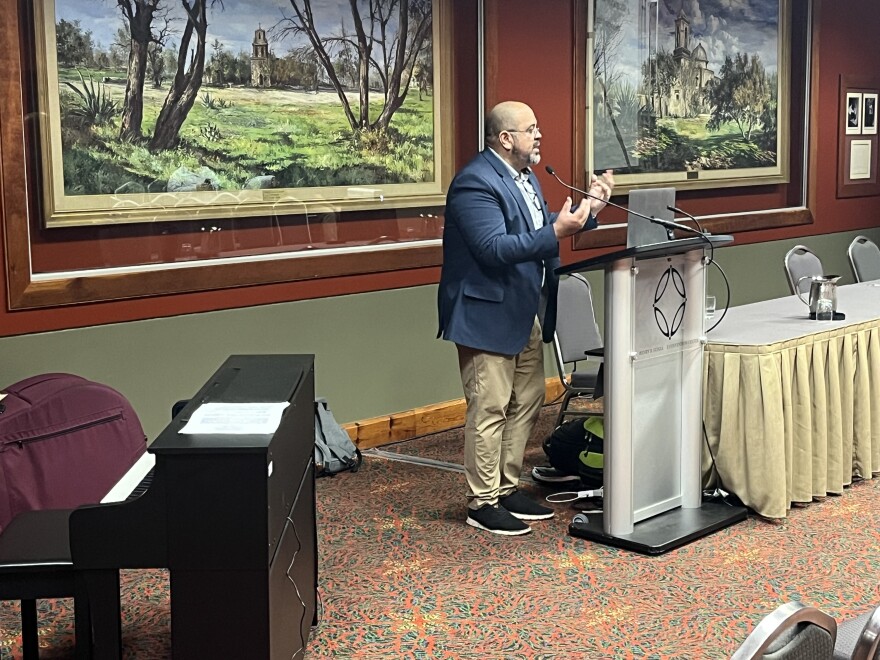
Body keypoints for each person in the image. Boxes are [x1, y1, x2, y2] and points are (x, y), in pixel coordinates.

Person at [437, 100, 615, 536]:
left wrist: (589, 210)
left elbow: (536, 232)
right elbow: (493, 248)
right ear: (505, 138)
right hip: (485, 312)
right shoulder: (474, 183)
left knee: (528, 397)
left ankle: (505, 486)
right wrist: (555, 232)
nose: (539, 136)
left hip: (523, 308)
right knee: (491, 406)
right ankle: (482, 502)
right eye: (530, 129)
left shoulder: (526, 176)